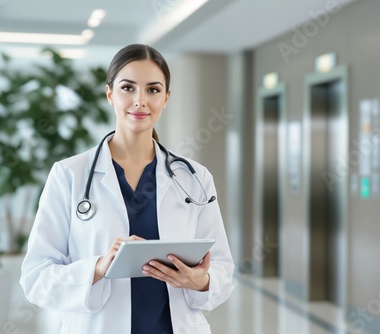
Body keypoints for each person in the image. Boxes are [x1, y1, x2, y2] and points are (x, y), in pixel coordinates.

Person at [20, 44, 234, 334]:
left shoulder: (194, 177)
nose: (140, 101)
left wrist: (200, 282)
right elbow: (36, 278)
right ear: (109, 93)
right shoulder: (69, 175)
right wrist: (98, 267)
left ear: (167, 97)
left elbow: (221, 268)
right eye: (128, 88)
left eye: (153, 90)